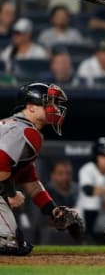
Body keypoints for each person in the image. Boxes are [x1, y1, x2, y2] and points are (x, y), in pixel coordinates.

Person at [0, 82, 76, 255]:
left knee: (16, 243)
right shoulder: (23, 130)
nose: (53, 108)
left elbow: (31, 183)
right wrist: (11, 195)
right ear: (31, 107)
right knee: (8, 243)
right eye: (47, 104)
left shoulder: (20, 128)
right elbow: (1, 163)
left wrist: (52, 210)